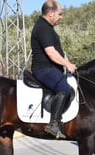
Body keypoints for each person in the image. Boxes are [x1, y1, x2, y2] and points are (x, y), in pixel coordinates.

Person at [31, 0, 77, 139]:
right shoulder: (42, 28)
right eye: (60, 14)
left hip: (51, 68)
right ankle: (53, 124)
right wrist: (67, 65)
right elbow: (50, 52)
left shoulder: (48, 28)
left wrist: (68, 63)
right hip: (43, 69)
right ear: (51, 13)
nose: (61, 17)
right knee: (64, 88)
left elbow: (59, 52)